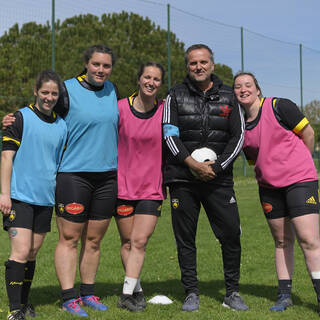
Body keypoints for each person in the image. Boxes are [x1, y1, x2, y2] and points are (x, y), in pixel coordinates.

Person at [2, 44, 119, 317]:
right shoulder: (65, 90)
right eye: (96, 64)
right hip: (73, 176)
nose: (101, 70)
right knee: (69, 238)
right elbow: (41, 112)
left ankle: (87, 292)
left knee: (94, 240)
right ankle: (67, 297)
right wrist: (12, 118)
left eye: (106, 65)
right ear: (86, 64)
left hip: (106, 177)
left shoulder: (113, 90)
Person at [162, 44, 248, 312]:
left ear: (212, 64)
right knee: (185, 237)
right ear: (187, 66)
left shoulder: (229, 96)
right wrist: (191, 164)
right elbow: (169, 135)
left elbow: (239, 136)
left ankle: (232, 292)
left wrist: (218, 166)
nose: (198, 67)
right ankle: (191, 292)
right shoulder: (173, 95)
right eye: (192, 63)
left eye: (203, 62)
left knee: (231, 235)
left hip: (218, 179)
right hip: (182, 179)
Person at [233, 72, 320, 313]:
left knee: (309, 240)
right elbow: (254, 160)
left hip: (300, 182)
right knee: (282, 241)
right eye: (238, 87)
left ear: (257, 90)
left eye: (248, 85)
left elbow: (309, 133)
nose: (243, 90)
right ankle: (284, 295)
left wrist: (304, 162)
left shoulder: (279, 106)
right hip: (269, 188)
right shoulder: (240, 127)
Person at [0, 70, 67, 320]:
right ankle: (14, 310)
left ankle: (25, 303)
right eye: (45, 92)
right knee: (19, 251)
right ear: (35, 92)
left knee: (32, 253)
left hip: (45, 199)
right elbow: (7, 157)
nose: (49, 97)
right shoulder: (20, 118)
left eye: (53, 93)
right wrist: (4, 194)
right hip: (19, 196)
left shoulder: (61, 125)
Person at [115, 62, 165, 312]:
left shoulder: (166, 111)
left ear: (160, 84)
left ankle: (125, 295)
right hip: (123, 188)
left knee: (139, 240)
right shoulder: (120, 108)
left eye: (156, 79)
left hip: (151, 189)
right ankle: (137, 291)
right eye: (147, 77)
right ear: (139, 79)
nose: (151, 82)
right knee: (127, 242)